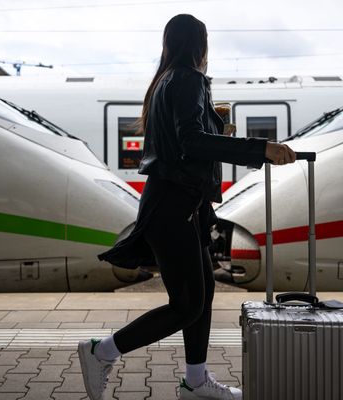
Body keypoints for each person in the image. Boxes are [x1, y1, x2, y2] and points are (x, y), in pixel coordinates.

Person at [78, 14, 296, 400]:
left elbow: (184, 142)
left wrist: (217, 134)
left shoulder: (164, 82)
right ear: (200, 44)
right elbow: (192, 142)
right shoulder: (188, 79)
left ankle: (195, 381)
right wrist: (259, 148)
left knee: (204, 293)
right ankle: (102, 351)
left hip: (182, 205)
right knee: (187, 304)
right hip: (173, 205)